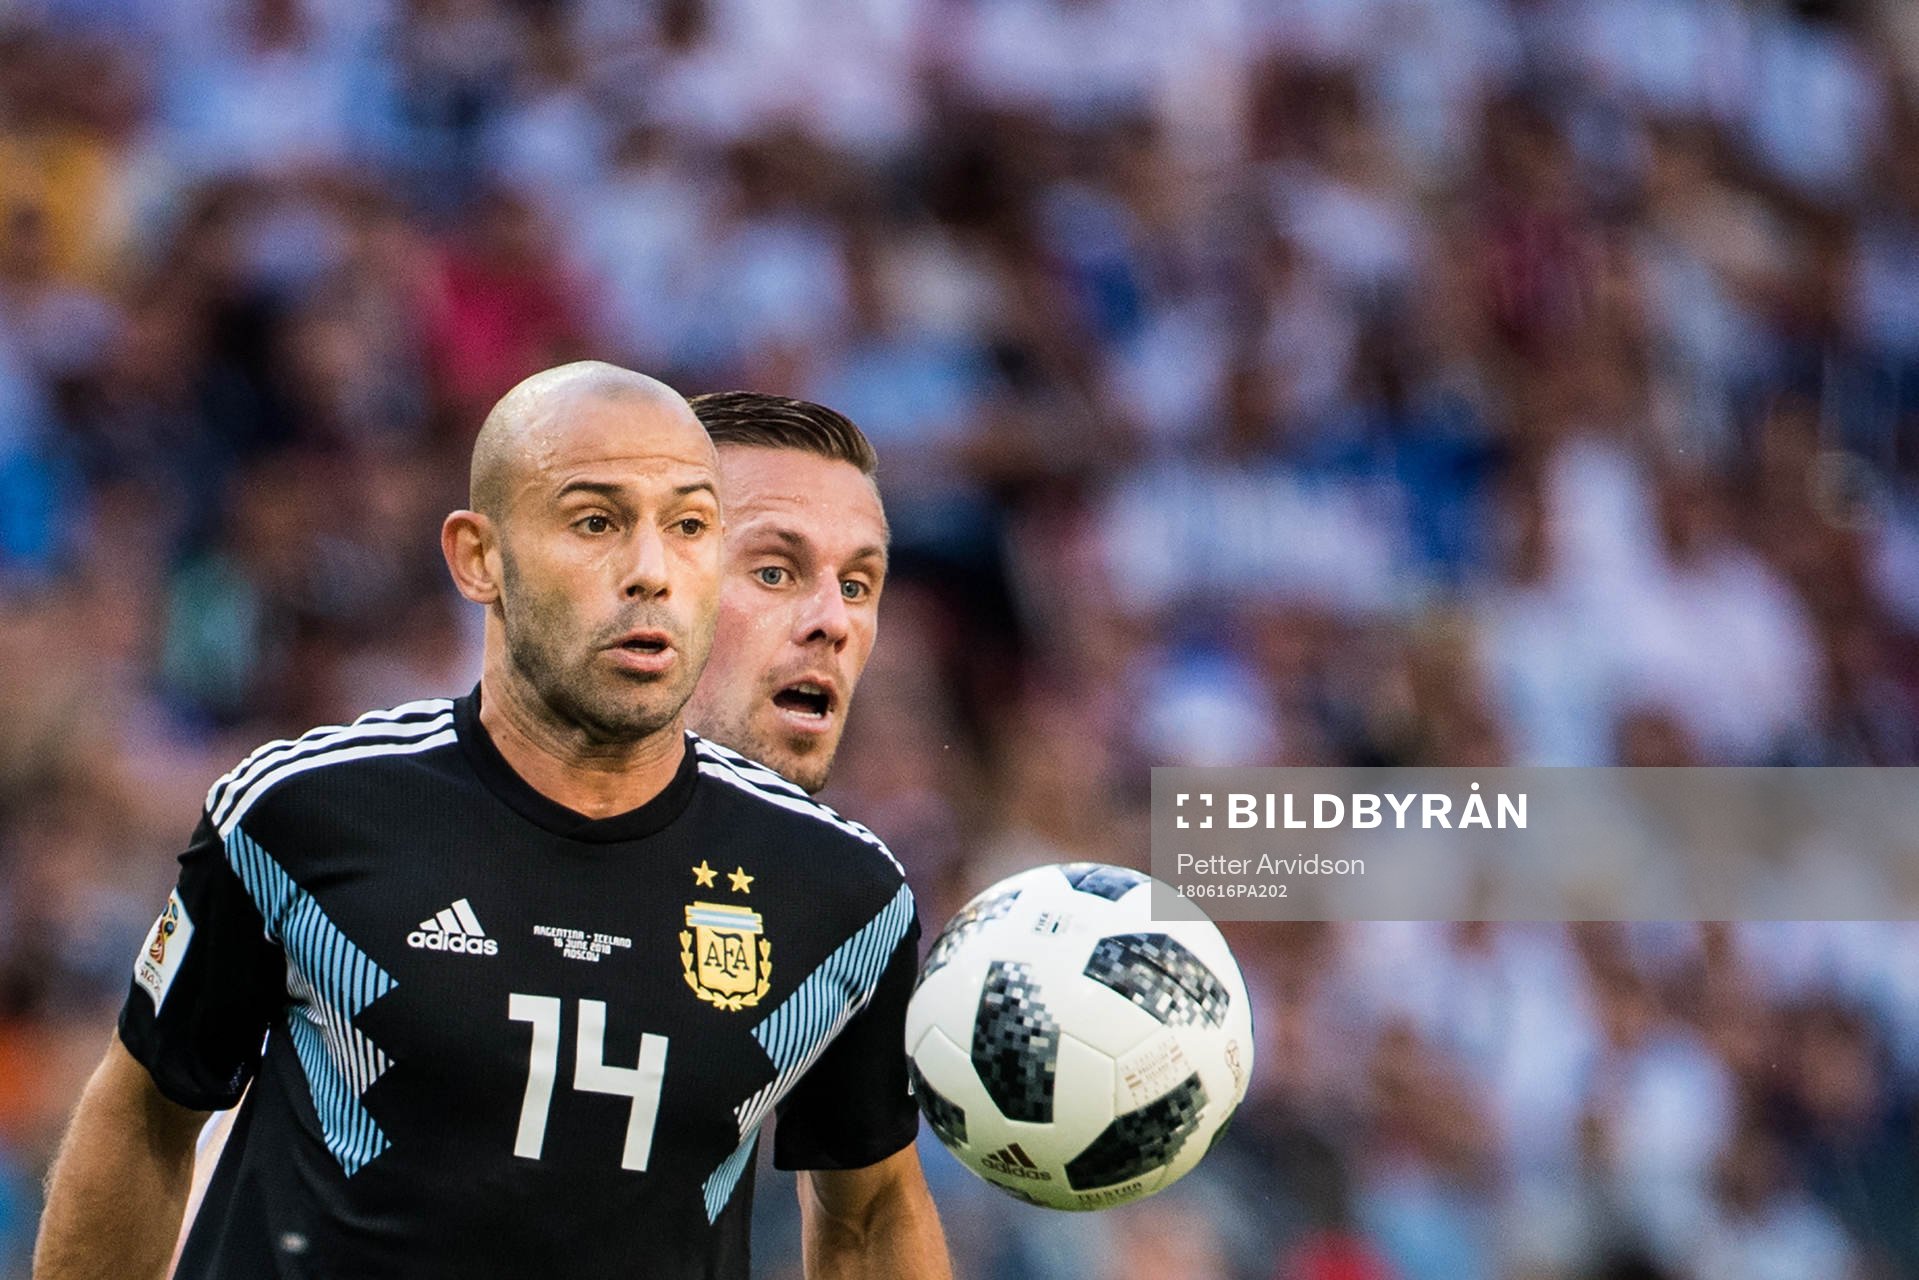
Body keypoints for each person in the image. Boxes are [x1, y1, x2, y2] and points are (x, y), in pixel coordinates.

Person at [35, 363, 951, 1279]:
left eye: (689, 529)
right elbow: (147, 1121)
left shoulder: (846, 897)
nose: (649, 572)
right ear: (479, 557)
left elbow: (869, 1215)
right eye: (596, 521)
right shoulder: (305, 813)